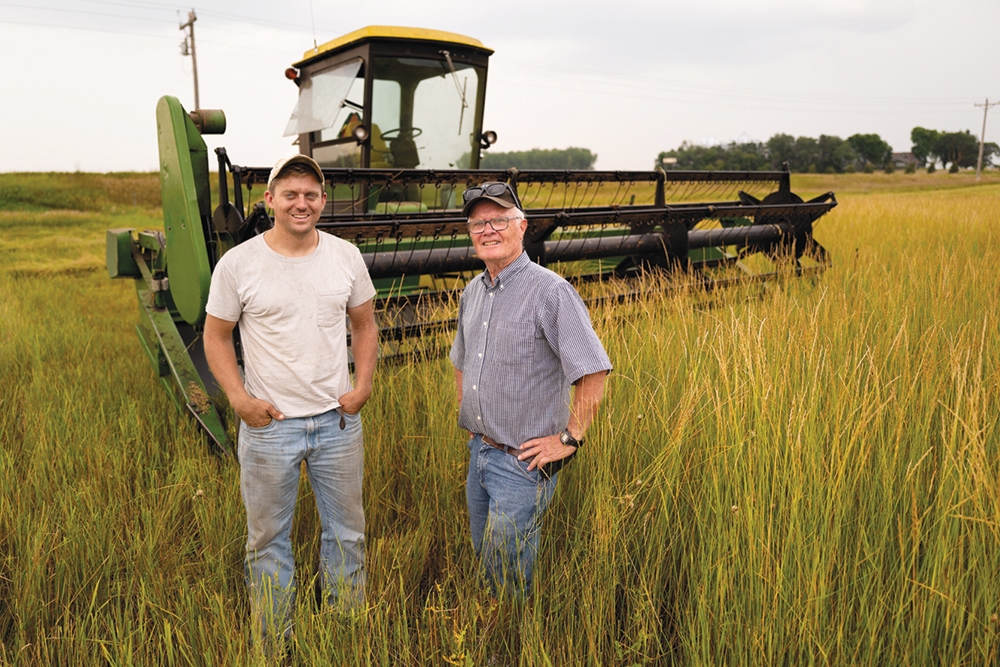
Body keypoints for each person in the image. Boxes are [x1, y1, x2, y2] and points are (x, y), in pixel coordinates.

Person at [203, 154, 378, 643]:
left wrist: (362, 386)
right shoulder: (238, 264)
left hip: (336, 425)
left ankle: (344, 638)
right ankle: (274, 643)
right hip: (268, 427)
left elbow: (364, 325)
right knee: (267, 542)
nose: (301, 203)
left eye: (310, 195)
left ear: (323, 201)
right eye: (290, 194)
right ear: (270, 200)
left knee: (347, 535)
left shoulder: (345, 256)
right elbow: (216, 336)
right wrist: (238, 399)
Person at [449, 181, 612, 598]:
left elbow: (593, 370)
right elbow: (461, 361)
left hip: (523, 464)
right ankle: (492, 635)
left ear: (522, 226)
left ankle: (507, 647)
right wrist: (468, 411)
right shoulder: (472, 292)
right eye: (478, 223)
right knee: (485, 559)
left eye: (499, 220)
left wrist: (570, 438)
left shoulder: (550, 291)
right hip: (480, 454)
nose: (488, 230)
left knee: (507, 570)